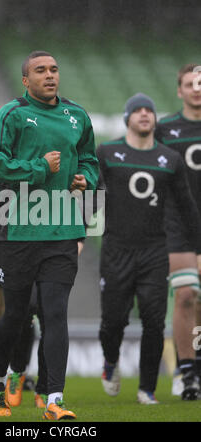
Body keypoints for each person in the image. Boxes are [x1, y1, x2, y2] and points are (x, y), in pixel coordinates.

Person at [0, 50, 99, 419]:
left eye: (54, 69)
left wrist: (85, 179)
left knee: (56, 313)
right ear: (25, 80)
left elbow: (90, 159)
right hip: (19, 228)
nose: (50, 75)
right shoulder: (11, 114)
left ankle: (54, 401)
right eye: (40, 71)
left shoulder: (77, 115)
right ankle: (1, 379)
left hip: (63, 227)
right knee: (15, 315)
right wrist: (38, 167)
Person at [96, 93, 201, 404]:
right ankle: (110, 362)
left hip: (156, 250)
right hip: (116, 249)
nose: (144, 114)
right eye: (137, 110)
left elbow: (187, 208)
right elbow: (91, 197)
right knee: (113, 321)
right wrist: (77, 234)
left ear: (155, 119)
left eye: (149, 111)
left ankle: (147, 389)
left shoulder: (170, 159)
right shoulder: (108, 152)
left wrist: (196, 247)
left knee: (154, 320)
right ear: (128, 117)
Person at [0, 108, 46, 408]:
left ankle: (24, 373)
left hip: (35, 240)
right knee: (0, 310)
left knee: (32, 308)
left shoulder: (31, 152)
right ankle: (0, 366)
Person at [155, 63, 201, 399]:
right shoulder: (164, 129)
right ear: (179, 90)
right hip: (178, 225)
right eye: (190, 84)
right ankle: (187, 373)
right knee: (186, 295)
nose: (197, 89)